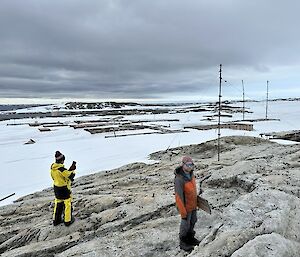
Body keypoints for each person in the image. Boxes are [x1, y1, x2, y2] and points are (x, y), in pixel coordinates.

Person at [174, 156, 200, 252]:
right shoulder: (179, 179)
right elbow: (178, 197)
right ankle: (183, 242)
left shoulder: (191, 175)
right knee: (185, 225)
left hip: (193, 205)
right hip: (185, 207)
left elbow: (193, 190)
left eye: (191, 165)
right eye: (188, 165)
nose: (190, 167)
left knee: (193, 221)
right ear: (183, 164)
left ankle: (190, 238)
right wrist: (183, 212)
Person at [50, 151, 76, 226]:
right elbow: (70, 176)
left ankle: (56, 220)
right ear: (61, 160)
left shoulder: (52, 168)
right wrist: (72, 169)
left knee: (58, 203)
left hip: (56, 188)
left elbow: (54, 177)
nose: (63, 161)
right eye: (63, 160)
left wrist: (68, 171)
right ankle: (68, 220)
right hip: (64, 188)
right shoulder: (61, 169)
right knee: (67, 203)